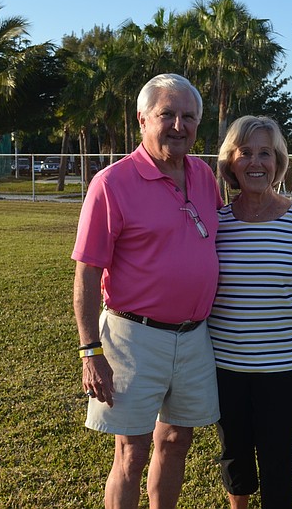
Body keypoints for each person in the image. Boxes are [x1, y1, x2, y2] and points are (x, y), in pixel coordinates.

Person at [71, 73, 222, 509]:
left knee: (176, 441)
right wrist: (89, 352)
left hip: (195, 338)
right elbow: (85, 274)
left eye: (188, 116)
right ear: (142, 119)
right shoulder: (112, 183)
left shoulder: (202, 176)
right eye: (167, 115)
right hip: (133, 338)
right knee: (131, 451)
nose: (179, 125)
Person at [209, 115, 292, 509]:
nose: (256, 162)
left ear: (279, 162)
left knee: (279, 459)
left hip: (284, 366)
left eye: (265, 153)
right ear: (231, 162)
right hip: (225, 364)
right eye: (245, 153)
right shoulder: (216, 223)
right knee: (235, 454)